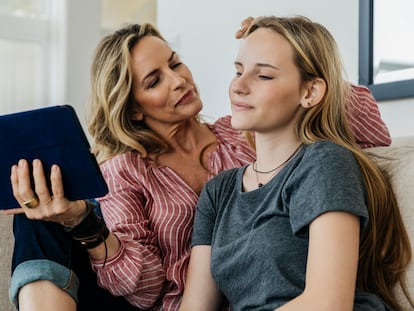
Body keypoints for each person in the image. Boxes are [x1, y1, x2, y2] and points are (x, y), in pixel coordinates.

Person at [2, 20, 393, 311]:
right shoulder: (129, 171)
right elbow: (148, 288)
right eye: (155, 80)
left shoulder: (244, 133)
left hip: (246, 295)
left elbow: (363, 126)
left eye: (176, 63)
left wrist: (280, 44)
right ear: (134, 109)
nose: (178, 80)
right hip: (164, 302)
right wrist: (84, 225)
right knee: (39, 220)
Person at [179, 16, 413, 311]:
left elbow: (328, 302)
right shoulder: (218, 192)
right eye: (238, 71)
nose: (238, 86)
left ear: (310, 92)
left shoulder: (324, 162)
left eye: (263, 76)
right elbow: (195, 306)